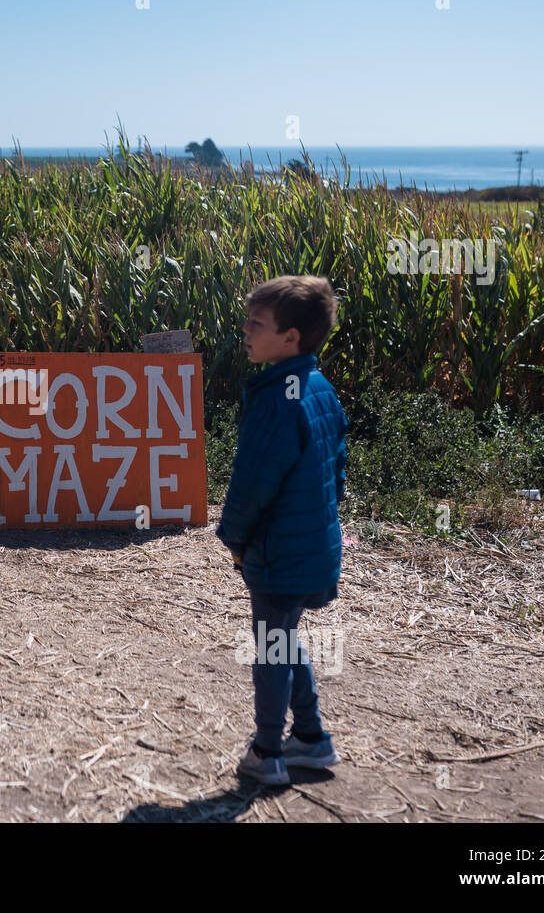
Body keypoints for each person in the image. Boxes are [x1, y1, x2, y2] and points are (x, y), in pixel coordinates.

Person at [215, 275, 347, 786]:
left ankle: (267, 751)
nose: (245, 331)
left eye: (256, 323)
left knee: (271, 644)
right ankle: (311, 739)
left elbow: (253, 481)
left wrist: (236, 538)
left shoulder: (276, 400)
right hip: (312, 540)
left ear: (290, 337)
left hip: (277, 546)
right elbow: (336, 468)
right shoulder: (318, 387)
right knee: (285, 637)